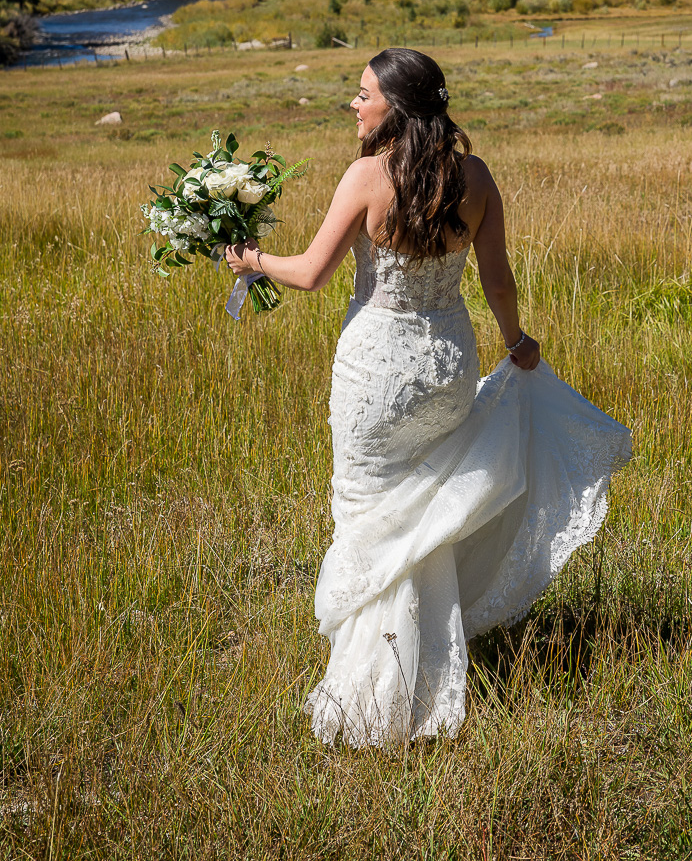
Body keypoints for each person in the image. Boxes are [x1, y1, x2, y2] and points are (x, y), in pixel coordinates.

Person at [225, 48, 630, 747]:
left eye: (361, 95)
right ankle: (423, 668)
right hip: (446, 364)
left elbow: (313, 273)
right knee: (417, 513)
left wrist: (249, 260)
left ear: (396, 107)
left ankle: (373, 699)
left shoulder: (364, 177)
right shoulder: (473, 176)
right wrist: (516, 341)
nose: (352, 106)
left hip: (377, 370)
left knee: (369, 511)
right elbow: (496, 280)